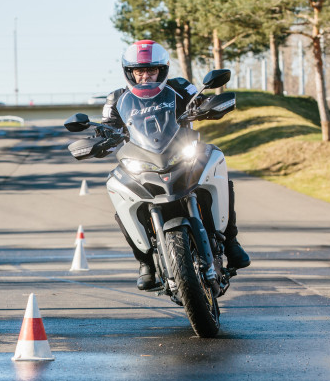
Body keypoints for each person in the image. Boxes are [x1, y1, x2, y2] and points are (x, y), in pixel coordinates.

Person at [101, 39, 250, 290]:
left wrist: (209, 107)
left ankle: (231, 241)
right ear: (130, 73)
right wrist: (98, 139)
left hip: (181, 151)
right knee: (117, 187)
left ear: (162, 69)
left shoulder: (180, 86)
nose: (146, 76)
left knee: (216, 160)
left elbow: (201, 102)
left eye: (152, 70)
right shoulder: (116, 98)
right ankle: (145, 260)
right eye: (140, 71)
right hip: (142, 160)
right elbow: (106, 127)